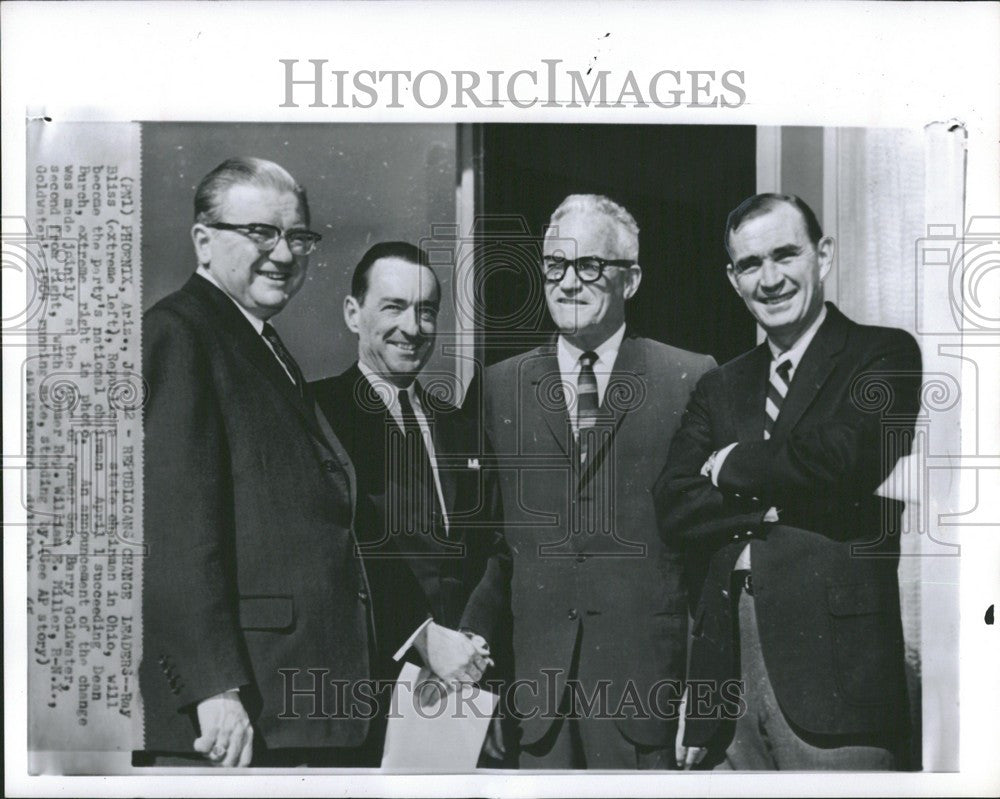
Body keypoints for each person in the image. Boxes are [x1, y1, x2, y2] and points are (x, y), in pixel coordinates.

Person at [138, 159, 478, 768]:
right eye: (261, 233)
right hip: (238, 713)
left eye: (297, 237)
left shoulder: (260, 342)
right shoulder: (180, 333)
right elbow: (174, 532)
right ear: (204, 240)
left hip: (296, 706)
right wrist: (214, 688)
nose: (284, 253)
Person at [657, 193, 922, 770]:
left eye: (785, 255)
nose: (770, 279)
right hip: (729, 685)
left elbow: (846, 460)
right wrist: (768, 508)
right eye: (750, 265)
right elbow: (675, 504)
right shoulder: (720, 385)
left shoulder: (882, 354)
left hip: (837, 683)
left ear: (822, 255)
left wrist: (728, 465)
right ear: (733, 279)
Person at [460, 194, 716, 769]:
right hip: (536, 704)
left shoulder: (689, 378)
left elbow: (707, 555)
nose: (568, 283)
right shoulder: (502, 387)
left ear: (632, 278)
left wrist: (702, 695)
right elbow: (495, 552)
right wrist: (481, 689)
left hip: (646, 696)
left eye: (590, 266)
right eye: (555, 265)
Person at [311, 242, 494, 763]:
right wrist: (419, 635)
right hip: (358, 688)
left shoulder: (459, 425)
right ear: (354, 313)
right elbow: (336, 543)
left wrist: (472, 647)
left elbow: (486, 546)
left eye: (427, 311)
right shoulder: (313, 415)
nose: (412, 328)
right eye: (393, 307)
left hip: (461, 691)